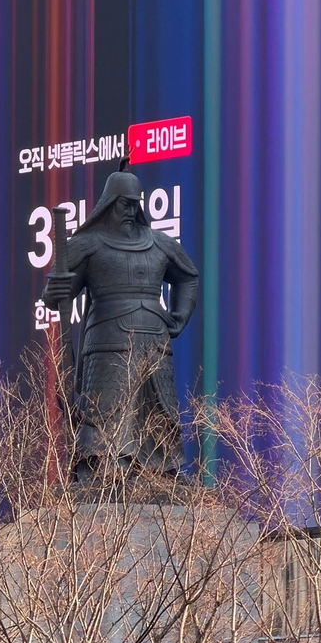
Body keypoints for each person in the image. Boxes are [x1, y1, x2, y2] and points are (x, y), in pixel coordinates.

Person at [41, 166, 199, 480]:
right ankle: (103, 468)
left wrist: (179, 317)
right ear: (109, 203)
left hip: (154, 339)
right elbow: (57, 293)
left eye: (134, 204)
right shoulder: (88, 243)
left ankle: (161, 470)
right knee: (106, 406)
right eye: (124, 204)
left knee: (159, 405)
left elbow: (188, 278)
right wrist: (54, 291)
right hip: (106, 340)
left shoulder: (160, 243)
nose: (130, 210)